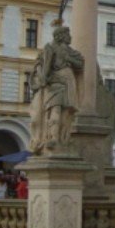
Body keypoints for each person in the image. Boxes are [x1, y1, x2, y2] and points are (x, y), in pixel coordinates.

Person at [29, 23, 84, 154]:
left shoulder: (70, 51)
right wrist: (44, 79)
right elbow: (46, 66)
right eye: (67, 35)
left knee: (67, 111)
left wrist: (68, 58)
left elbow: (80, 64)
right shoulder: (50, 47)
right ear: (60, 36)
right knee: (55, 108)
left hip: (68, 81)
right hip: (57, 82)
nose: (69, 37)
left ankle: (63, 137)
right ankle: (53, 137)